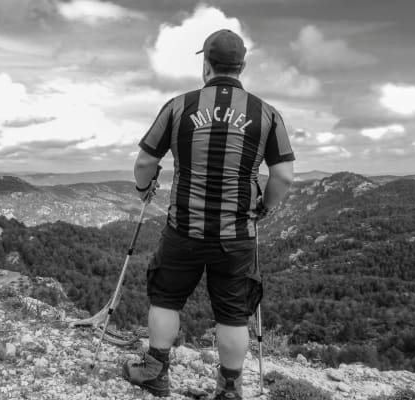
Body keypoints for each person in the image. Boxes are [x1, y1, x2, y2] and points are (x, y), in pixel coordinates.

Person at [122, 29, 295, 399]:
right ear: (242, 66)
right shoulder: (266, 113)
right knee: (233, 313)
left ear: (206, 65)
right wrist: (265, 206)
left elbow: (144, 162)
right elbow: (283, 175)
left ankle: (155, 371)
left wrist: (143, 188)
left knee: (166, 298)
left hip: (183, 228)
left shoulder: (178, 105)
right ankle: (230, 389)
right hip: (237, 235)